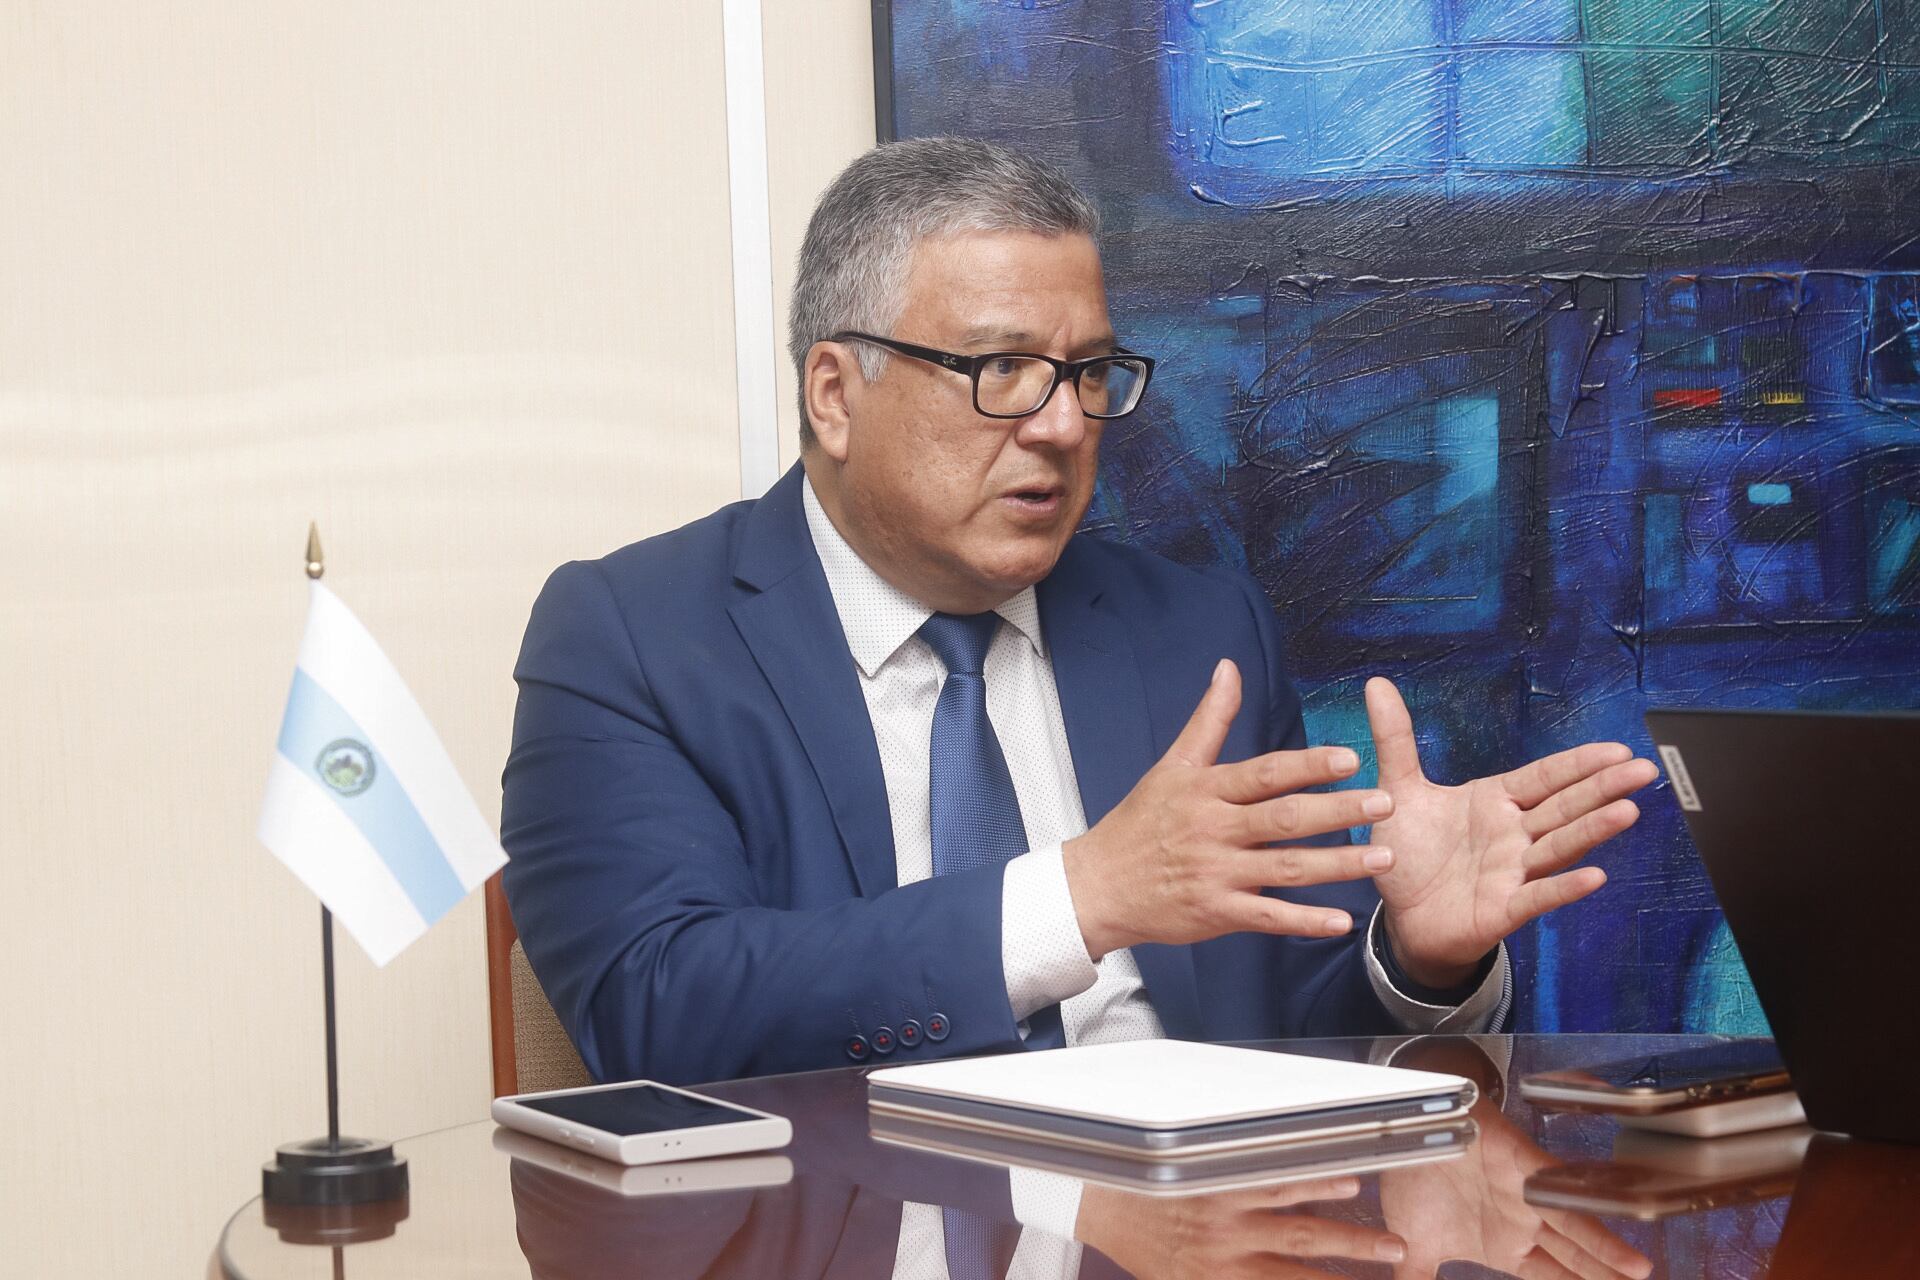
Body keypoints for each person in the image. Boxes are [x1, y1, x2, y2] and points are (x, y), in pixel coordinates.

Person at [500, 137, 1657, 1086]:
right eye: (1002, 369)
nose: (1060, 423)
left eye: (1089, 372)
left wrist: (1417, 956)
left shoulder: (1198, 635)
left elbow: (1299, 1035)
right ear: (835, 394)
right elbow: (656, 1010)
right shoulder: (631, 638)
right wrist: (1079, 895)